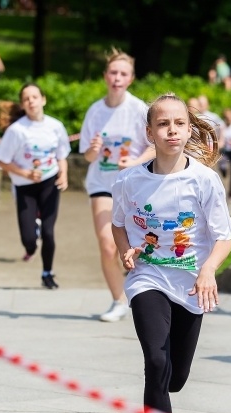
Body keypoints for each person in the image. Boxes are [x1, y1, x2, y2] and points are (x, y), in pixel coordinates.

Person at [111, 92, 231, 413]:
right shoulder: (129, 180)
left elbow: (223, 237)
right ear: (149, 131)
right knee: (155, 360)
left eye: (179, 123)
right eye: (163, 124)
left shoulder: (203, 179)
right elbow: (118, 225)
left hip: (190, 287)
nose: (171, 131)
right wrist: (126, 247)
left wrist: (208, 269)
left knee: (175, 377)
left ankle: (165, 388)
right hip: (147, 278)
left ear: (188, 128)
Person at [79, 48, 155, 322]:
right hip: (101, 183)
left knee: (140, 246)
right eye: (113, 72)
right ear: (105, 76)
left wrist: (135, 162)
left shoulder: (138, 109)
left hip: (133, 186)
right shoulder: (95, 111)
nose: (117, 78)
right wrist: (93, 149)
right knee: (107, 244)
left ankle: (147, 295)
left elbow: (155, 147)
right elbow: (86, 156)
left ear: (131, 78)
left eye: (123, 73)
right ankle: (118, 301)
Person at [0, 84, 70, 289]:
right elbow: (2, 161)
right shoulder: (16, 131)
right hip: (25, 186)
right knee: (28, 240)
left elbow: (61, 154)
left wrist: (63, 174)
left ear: (43, 99)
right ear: (23, 104)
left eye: (35, 97)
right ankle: (31, 240)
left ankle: (47, 273)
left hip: (49, 182)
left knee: (49, 232)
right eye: (26, 99)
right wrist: (25, 173)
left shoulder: (55, 126)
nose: (31, 101)